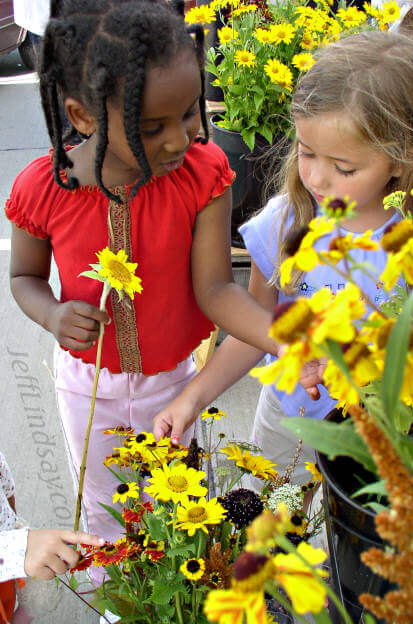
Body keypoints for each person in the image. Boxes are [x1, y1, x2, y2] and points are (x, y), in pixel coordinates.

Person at [153, 29, 413, 624]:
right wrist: (191, 396)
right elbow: (254, 330)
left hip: (384, 443)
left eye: (344, 167)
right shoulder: (285, 228)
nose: (316, 176)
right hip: (287, 419)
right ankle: (262, 593)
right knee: (264, 519)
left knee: (364, 542)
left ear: (405, 155)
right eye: (306, 152)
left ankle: (353, 597)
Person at [5, 0, 278, 589]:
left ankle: (175, 598)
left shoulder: (203, 177)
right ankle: (122, 601)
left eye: (188, 113)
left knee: (178, 501)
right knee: (103, 497)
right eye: (152, 126)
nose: (182, 138)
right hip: (86, 385)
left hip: (175, 381)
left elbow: (214, 290)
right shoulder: (44, 188)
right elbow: (22, 278)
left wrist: (286, 339)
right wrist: (52, 314)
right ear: (81, 115)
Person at [0, 450, 103, 624]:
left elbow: (5, 483)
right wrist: (14, 550)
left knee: (7, 617)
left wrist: (16, 528)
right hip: (8, 554)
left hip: (8, 560)